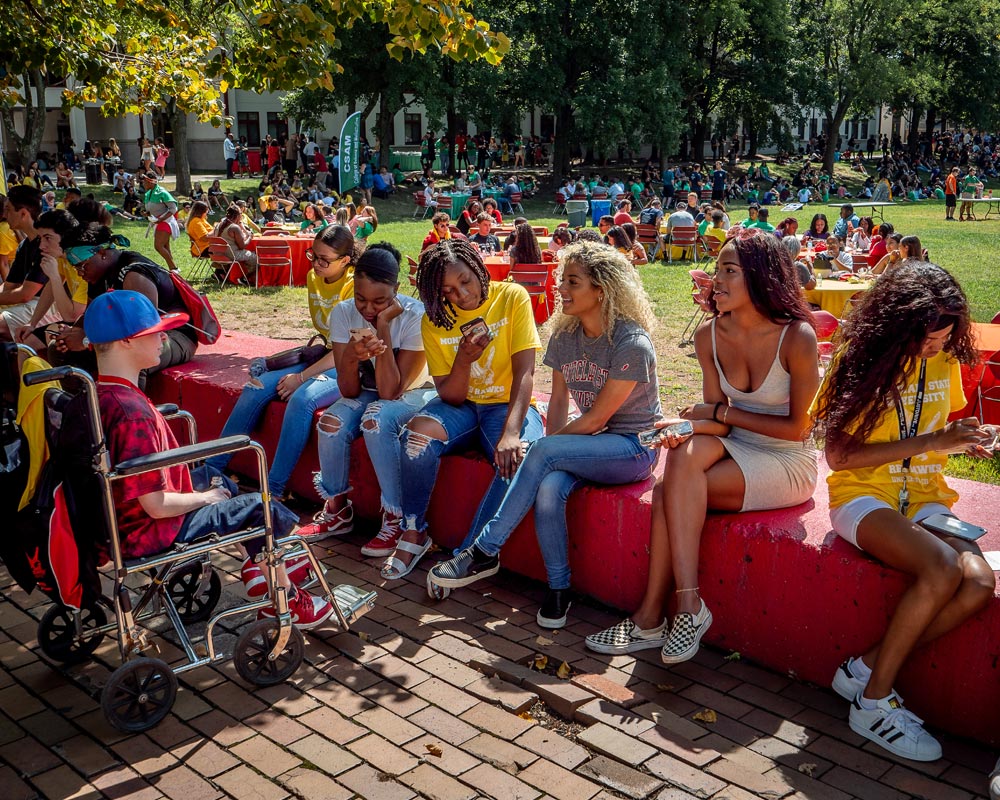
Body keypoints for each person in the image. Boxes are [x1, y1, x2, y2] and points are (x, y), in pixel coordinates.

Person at [586, 229, 819, 663]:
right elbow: (717, 419)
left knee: (666, 493)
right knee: (682, 456)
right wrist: (688, 426)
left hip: (787, 460)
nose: (718, 281)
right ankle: (685, 608)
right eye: (718, 271)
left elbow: (797, 430)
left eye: (730, 271)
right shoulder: (709, 334)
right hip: (734, 444)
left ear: (762, 277)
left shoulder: (797, 337)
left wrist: (718, 416)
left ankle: (654, 616)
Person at [811, 262, 995, 761]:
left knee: (978, 582)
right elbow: (839, 457)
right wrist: (936, 439)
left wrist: (963, 442)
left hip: (928, 498)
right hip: (864, 496)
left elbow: (932, 433)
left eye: (943, 338)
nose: (935, 348)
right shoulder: (860, 361)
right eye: (926, 340)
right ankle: (872, 703)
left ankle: (865, 667)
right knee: (940, 567)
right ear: (895, 327)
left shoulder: (946, 360)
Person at [428, 243, 662, 627]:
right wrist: (553, 446)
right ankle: (559, 588)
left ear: (601, 288)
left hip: (633, 447)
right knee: (549, 486)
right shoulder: (565, 336)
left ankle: (484, 548)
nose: (561, 289)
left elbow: (597, 418)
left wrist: (547, 447)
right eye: (561, 280)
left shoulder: (631, 342)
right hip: (588, 444)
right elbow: (557, 402)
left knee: (540, 454)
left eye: (573, 282)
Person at [84, 290, 333, 627]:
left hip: (117, 520)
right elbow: (156, 506)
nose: (163, 338)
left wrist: (209, 489)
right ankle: (286, 600)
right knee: (260, 508)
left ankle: (260, 565)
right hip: (150, 529)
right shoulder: (133, 416)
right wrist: (204, 498)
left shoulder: (101, 393)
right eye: (154, 332)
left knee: (219, 480)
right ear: (127, 341)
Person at [382, 240, 544, 579]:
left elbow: (525, 371)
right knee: (416, 437)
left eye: (466, 281)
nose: (462, 295)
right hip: (463, 407)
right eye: (449, 291)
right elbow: (451, 395)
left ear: (478, 267)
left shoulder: (511, 296)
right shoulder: (436, 320)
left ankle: (471, 553)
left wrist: (512, 432)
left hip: (506, 404)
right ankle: (413, 531)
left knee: (518, 456)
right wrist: (464, 359)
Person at [297, 243, 438, 544]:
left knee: (375, 420)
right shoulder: (344, 313)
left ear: (397, 290)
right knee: (331, 423)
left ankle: (395, 516)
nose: (369, 310)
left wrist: (384, 328)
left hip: (415, 393)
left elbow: (391, 392)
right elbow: (349, 390)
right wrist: (350, 356)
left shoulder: (415, 316)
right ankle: (337, 510)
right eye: (361, 299)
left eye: (380, 302)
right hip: (372, 392)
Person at [206, 226, 357, 502]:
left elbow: (345, 351)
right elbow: (325, 339)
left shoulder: (353, 285)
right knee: (257, 387)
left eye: (325, 259)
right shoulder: (314, 277)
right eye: (314, 256)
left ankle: (273, 491)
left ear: (345, 260)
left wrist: (300, 378)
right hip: (324, 355)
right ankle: (211, 470)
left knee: (302, 400)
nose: (316, 264)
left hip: (350, 362)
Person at [0, 186, 50, 341]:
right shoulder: (25, 245)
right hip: (32, 302)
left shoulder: (46, 245)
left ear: (23, 213)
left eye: (8, 210)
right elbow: (9, 286)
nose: (5, 215)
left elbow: (25, 295)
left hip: (48, 303)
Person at [140, 172, 179, 271]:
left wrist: (161, 219)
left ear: (151, 182)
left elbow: (173, 209)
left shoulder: (162, 192)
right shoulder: (148, 194)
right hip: (158, 221)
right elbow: (151, 210)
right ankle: (173, 270)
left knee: (158, 246)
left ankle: (174, 268)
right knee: (165, 247)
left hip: (166, 221)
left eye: (144, 181)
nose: (143, 184)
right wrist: (147, 214)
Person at [214, 205, 258, 283]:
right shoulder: (234, 227)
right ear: (238, 215)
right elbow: (242, 246)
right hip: (232, 255)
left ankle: (230, 275)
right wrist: (250, 237)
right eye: (241, 213)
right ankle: (244, 278)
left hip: (219, 254)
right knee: (258, 259)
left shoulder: (219, 225)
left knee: (251, 255)